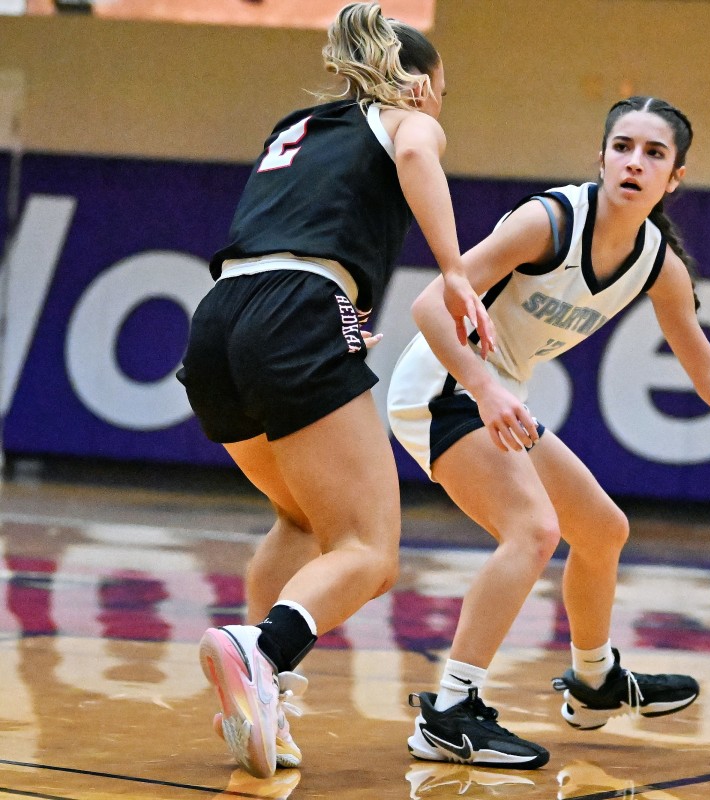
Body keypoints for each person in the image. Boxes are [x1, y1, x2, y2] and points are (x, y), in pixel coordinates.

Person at [387, 95, 710, 769]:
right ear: (601, 158)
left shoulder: (657, 264)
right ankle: (450, 713)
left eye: (654, 153)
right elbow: (432, 304)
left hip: (497, 394)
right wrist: (484, 386)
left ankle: (596, 683)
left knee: (602, 529)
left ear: (675, 177)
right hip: (443, 385)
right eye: (624, 147)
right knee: (535, 530)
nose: (635, 162)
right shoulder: (546, 222)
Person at [177, 1, 494, 779]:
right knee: (369, 550)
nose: (436, 109)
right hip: (297, 314)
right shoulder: (407, 115)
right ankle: (261, 648)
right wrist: (454, 270)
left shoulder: (300, 124)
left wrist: (333, 315)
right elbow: (419, 156)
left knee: (297, 515)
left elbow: (291, 234)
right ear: (418, 85)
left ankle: (257, 700)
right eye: (441, 93)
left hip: (219, 318)